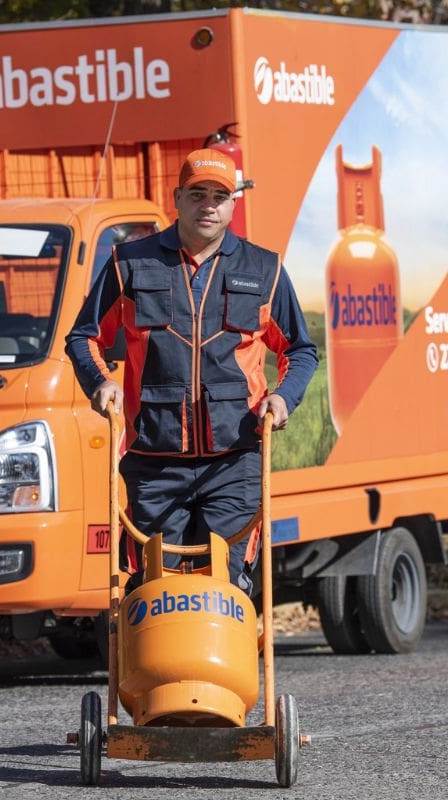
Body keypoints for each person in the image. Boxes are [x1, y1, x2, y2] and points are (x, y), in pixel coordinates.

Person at [65, 148, 319, 596]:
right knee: (156, 587)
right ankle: (161, 669)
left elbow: (300, 349)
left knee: (226, 584)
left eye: (219, 196)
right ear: (177, 197)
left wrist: (284, 397)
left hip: (235, 461)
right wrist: (100, 382)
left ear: (233, 205)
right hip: (155, 462)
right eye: (198, 194)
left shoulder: (265, 269)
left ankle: (220, 669)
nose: (209, 205)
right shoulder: (130, 264)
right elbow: (83, 337)